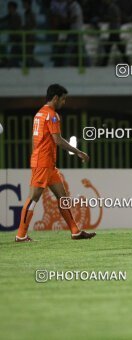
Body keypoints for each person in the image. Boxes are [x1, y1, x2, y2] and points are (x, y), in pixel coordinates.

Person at [15, 84, 96, 242]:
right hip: (43, 163)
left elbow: (34, 139)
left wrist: (35, 156)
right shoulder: (52, 115)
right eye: (63, 99)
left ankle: (75, 231)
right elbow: (58, 140)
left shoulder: (39, 114)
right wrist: (79, 152)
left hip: (47, 164)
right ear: (55, 98)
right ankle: (21, 235)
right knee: (34, 198)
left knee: (62, 196)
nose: (64, 102)